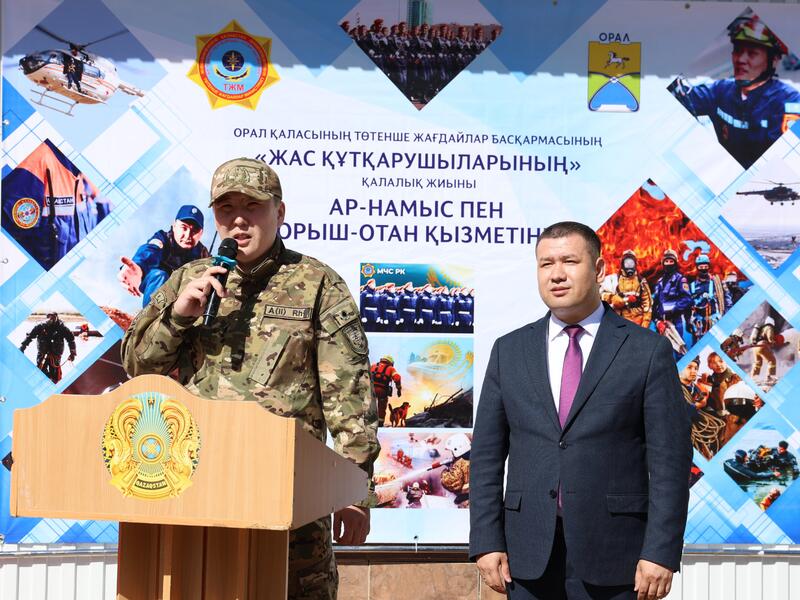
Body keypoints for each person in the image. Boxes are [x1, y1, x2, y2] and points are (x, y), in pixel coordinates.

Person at [121, 158, 379, 600]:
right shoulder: (188, 280)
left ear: (280, 212)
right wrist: (178, 316)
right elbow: (138, 368)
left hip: (291, 500)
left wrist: (356, 491)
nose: (238, 220)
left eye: (252, 206)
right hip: (198, 492)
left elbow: (350, 398)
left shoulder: (318, 285)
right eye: (226, 209)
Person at [470, 221, 691, 600]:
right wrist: (486, 540)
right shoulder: (510, 350)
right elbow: (486, 456)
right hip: (528, 556)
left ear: (600, 269)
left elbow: (670, 460)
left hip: (617, 556)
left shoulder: (645, 350)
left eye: (569, 261)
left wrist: (661, 551)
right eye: (546, 264)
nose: (556, 274)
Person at [668, 13, 800, 168]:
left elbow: (787, 160)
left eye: (752, 53)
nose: (741, 59)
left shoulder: (789, 101)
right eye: (738, 50)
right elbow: (682, 97)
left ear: (774, 60)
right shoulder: (720, 89)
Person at [118, 205, 210, 306]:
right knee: (160, 275)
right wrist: (139, 266)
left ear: (201, 233)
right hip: (154, 281)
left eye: (194, 231)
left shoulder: (202, 254)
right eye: (184, 228)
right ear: (174, 225)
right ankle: (151, 313)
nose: (188, 236)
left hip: (180, 292)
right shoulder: (163, 238)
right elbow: (150, 250)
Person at [600, 249, 652, 328]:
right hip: (621, 320)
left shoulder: (641, 282)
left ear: (635, 264)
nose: (629, 266)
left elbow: (647, 304)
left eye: (631, 263)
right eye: (627, 263)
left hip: (638, 320)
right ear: (622, 264)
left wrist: (645, 323)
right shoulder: (614, 280)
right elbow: (604, 296)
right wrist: (619, 299)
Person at [19, 312, 77, 383]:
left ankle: (54, 384)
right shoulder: (40, 326)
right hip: (42, 352)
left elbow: (71, 340)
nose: (51, 319)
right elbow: (30, 336)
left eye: (53, 317)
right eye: (49, 317)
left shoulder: (62, 328)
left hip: (56, 354)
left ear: (56, 317)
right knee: (40, 371)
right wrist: (23, 347)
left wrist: (73, 353)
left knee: (55, 373)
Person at [370, 355, 403, 426]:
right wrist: (399, 389)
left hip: (371, 390)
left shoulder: (373, 366)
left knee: (370, 406)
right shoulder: (390, 368)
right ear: (391, 362)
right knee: (381, 408)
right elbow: (397, 378)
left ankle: (368, 423)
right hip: (382, 391)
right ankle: (380, 424)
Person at [750, 315, 779, 385]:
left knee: (758, 362)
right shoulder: (769, 327)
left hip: (755, 347)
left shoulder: (761, 329)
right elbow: (770, 337)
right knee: (772, 360)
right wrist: (772, 342)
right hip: (762, 346)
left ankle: (754, 378)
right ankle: (770, 378)